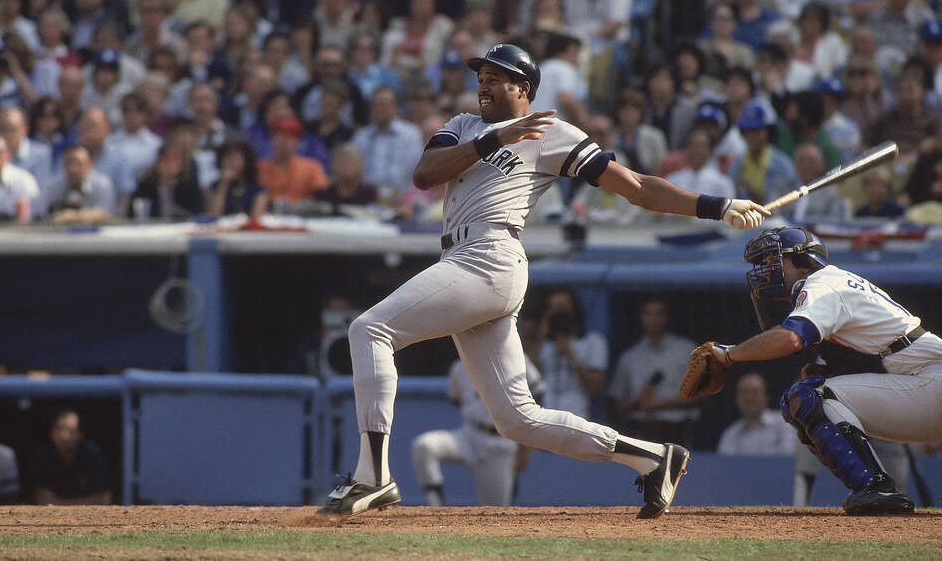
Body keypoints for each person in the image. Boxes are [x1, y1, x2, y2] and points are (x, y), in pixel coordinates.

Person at [315, 43, 768, 519]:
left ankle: (373, 476)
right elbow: (425, 175)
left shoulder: (551, 132)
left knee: (370, 329)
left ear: (523, 87)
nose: (484, 84)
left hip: (490, 255)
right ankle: (653, 458)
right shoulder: (464, 126)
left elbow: (636, 187)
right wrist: (494, 138)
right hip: (463, 258)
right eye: (481, 77)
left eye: (496, 77)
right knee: (518, 420)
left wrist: (718, 206)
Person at [700, 227, 942, 514]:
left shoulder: (822, 284)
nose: (765, 271)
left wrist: (729, 355)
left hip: (930, 381)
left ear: (803, 262)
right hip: (921, 382)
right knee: (805, 394)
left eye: (773, 260)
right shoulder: (834, 281)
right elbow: (884, 358)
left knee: (810, 396)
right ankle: (876, 489)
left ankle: (877, 487)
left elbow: (791, 338)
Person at [411, 355, 544, 507]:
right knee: (424, 446)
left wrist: (526, 447)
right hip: (469, 434)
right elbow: (456, 399)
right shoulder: (459, 365)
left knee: (495, 511)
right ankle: (436, 508)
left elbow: (538, 394)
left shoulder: (513, 355)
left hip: (499, 443)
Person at [608, 298, 703, 446]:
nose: (654, 319)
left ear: (667, 317)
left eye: (659, 313)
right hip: (640, 430)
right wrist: (638, 403)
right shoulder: (629, 356)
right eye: (649, 314)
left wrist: (661, 404)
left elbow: (702, 394)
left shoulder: (687, 350)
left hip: (678, 429)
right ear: (641, 317)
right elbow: (618, 403)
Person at [536, 287, 607, 420]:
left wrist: (571, 356)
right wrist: (541, 334)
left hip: (577, 415)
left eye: (563, 308)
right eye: (553, 308)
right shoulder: (543, 343)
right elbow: (527, 377)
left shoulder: (592, 341)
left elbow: (596, 387)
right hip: (545, 415)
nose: (559, 313)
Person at [31, 408, 112, 505]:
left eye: (71, 431)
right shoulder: (42, 456)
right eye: (59, 429)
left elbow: (103, 498)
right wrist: (83, 503)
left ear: (81, 434)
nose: (64, 436)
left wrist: (61, 504)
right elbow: (42, 499)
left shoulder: (93, 455)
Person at [716, 373, 797, 455]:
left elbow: (788, 457)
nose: (749, 398)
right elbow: (724, 462)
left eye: (755, 392)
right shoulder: (731, 433)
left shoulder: (784, 423)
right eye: (744, 392)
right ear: (737, 399)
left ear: (766, 397)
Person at [205, 138, 268, 218]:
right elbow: (213, 215)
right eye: (228, 158)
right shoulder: (211, 188)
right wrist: (224, 184)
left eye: (236, 158)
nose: (232, 162)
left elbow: (256, 218)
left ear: (246, 160)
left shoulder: (258, 190)